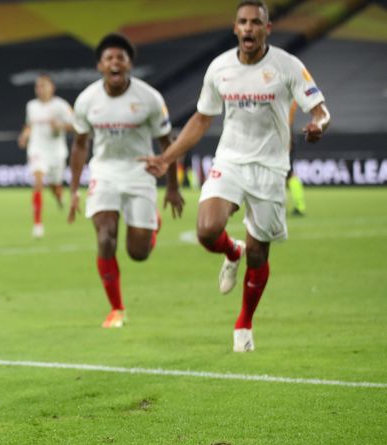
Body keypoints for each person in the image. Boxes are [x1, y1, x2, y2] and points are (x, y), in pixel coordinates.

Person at [142, 0, 330, 351]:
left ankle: (244, 322)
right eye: (243, 22)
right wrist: (167, 158)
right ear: (235, 28)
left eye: (256, 22)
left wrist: (318, 124)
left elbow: (320, 110)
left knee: (258, 254)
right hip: (230, 159)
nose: (248, 28)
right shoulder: (219, 68)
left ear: (267, 29)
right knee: (206, 230)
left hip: (270, 168)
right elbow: (202, 118)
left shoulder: (287, 66)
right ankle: (231, 252)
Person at [67, 33, 184, 328]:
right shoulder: (87, 100)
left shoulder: (149, 98)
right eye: (109, 58)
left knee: (138, 253)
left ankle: (152, 223)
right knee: (105, 238)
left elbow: (167, 143)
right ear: (100, 66)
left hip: (140, 173)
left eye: (121, 57)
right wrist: (74, 191)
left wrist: (172, 187)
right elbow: (80, 145)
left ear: (130, 64)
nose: (115, 63)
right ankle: (116, 309)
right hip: (104, 172)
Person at [18, 74, 74, 238]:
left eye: (43, 86)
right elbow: (29, 125)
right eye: (38, 86)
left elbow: (75, 124)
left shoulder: (61, 105)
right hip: (37, 149)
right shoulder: (31, 106)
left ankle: (59, 196)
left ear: (52, 88)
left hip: (56, 152)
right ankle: (37, 224)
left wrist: (61, 126)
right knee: (38, 181)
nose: (40, 89)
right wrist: (24, 135)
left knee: (55, 186)